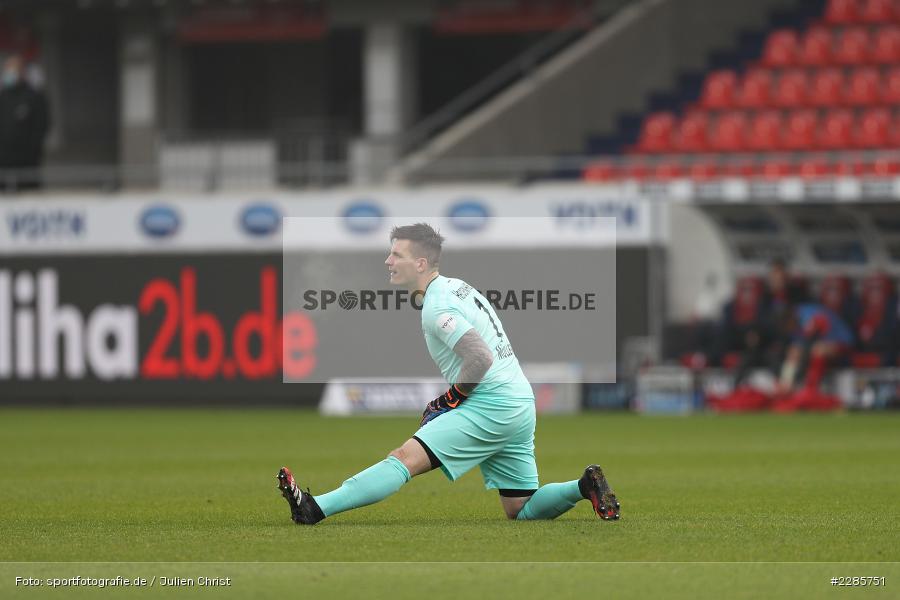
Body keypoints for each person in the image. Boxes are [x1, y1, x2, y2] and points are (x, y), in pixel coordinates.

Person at [277, 223, 620, 524]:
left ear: (421, 263)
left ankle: (314, 507)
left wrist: (450, 399)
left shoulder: (437, 305)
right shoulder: (457, 286)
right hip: (518, 401)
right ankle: (583, 486)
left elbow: (480, 356)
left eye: (396, 254)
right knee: (521, 508)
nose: (388, 261)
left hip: (492, 404)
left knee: (403, 459)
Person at [0, 54, 50, 191]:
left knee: (29, 193)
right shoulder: (3, 96)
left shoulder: (34, 97)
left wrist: (32, 150)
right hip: (3, 162)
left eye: (13, 70)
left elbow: (42, 126)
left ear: (22, 72)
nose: (9, 74)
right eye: (7, 70)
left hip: (27, 161)